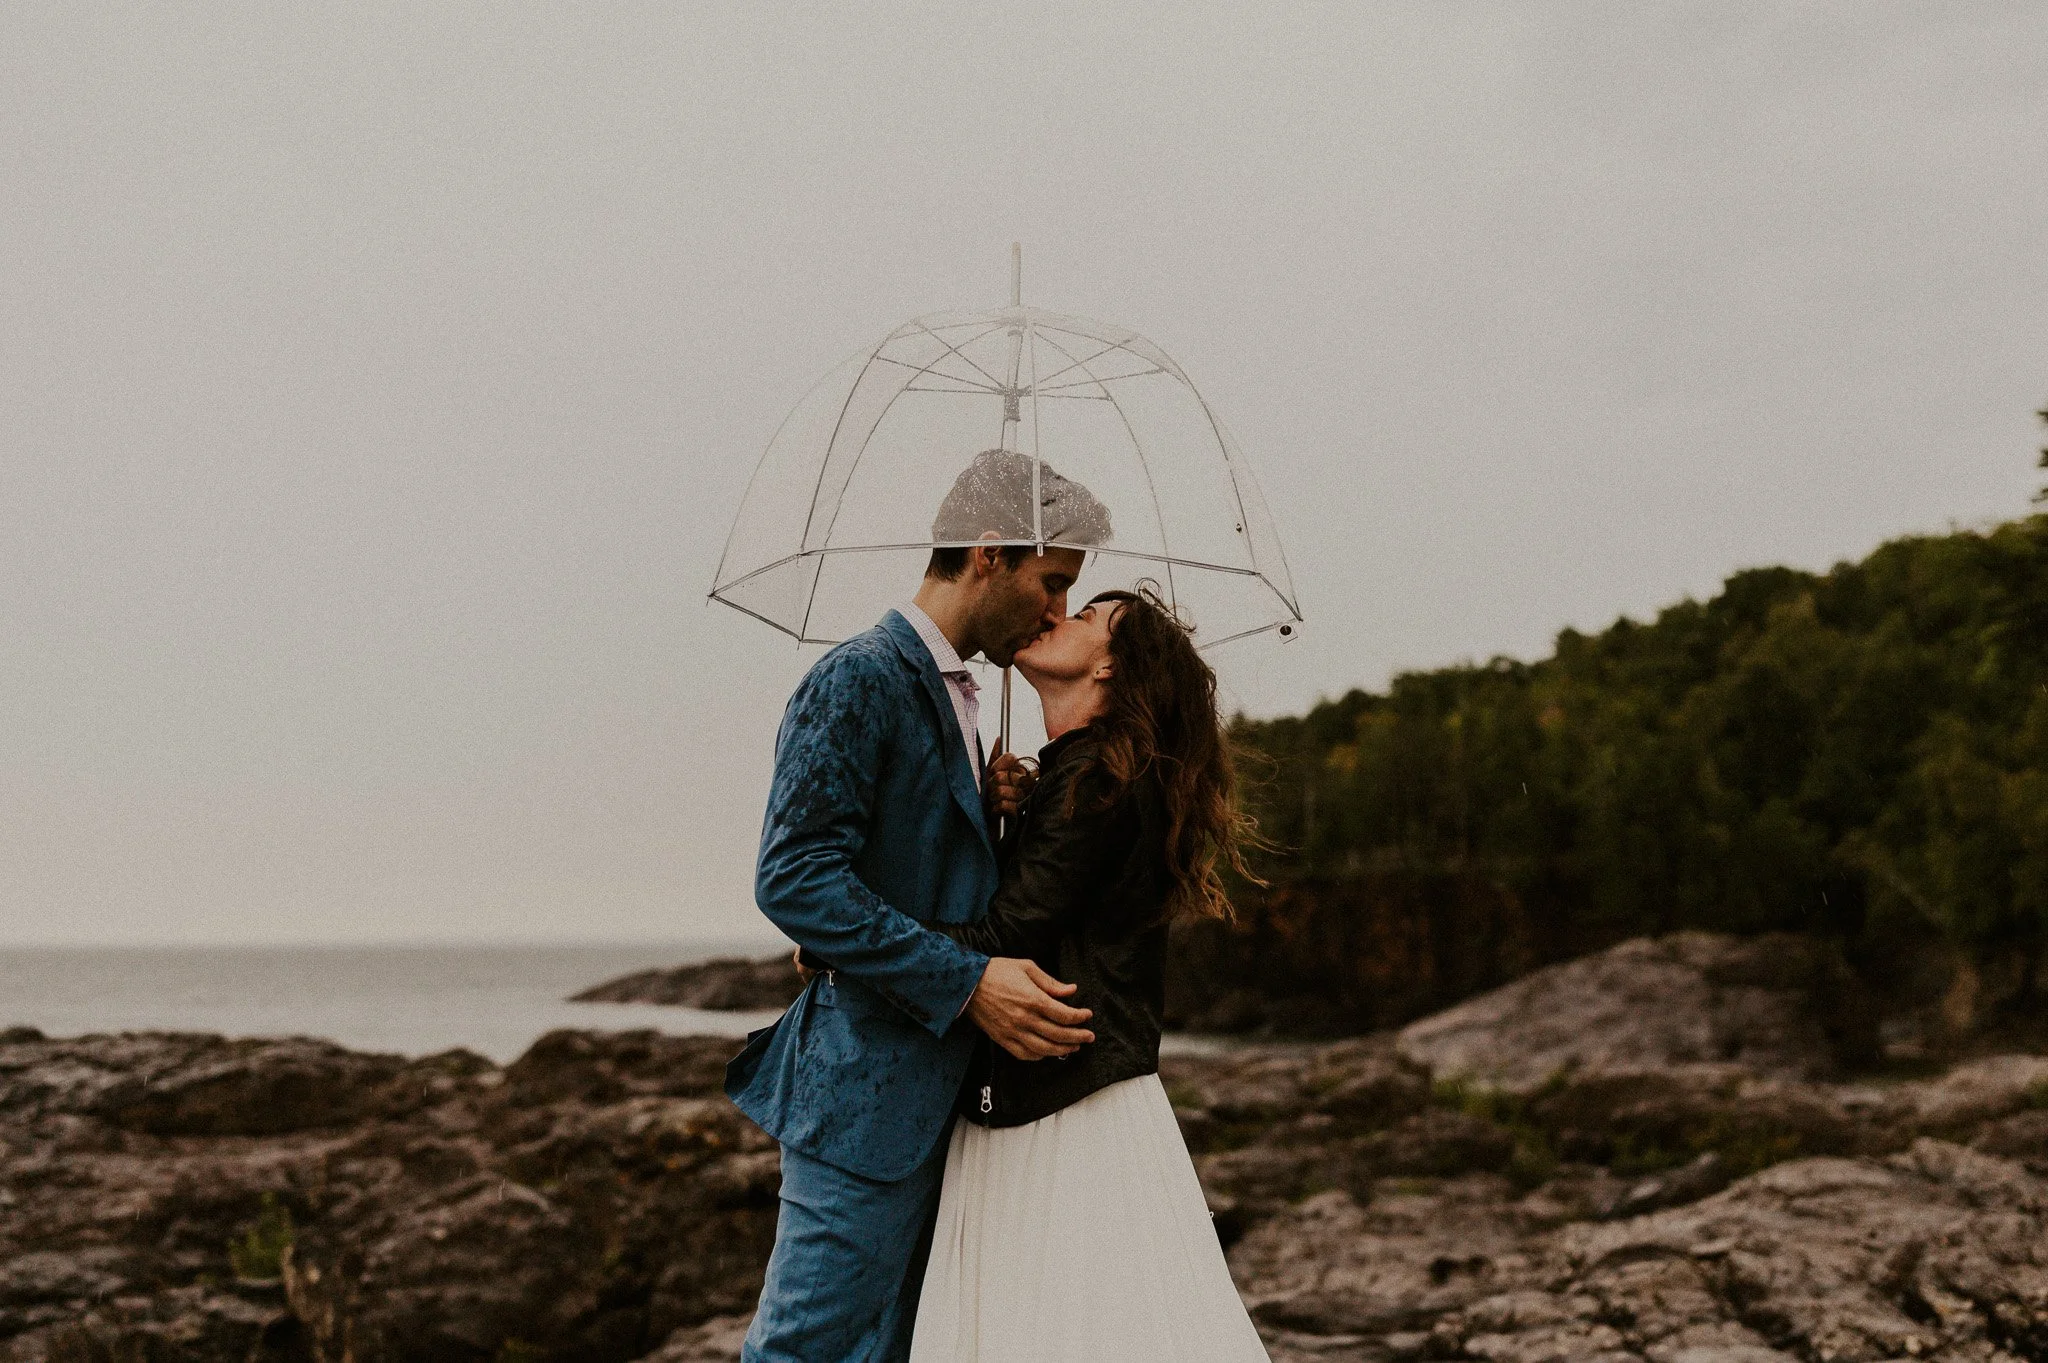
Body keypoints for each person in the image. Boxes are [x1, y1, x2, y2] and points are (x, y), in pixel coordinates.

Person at [725, 450, 1114, 1363]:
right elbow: (793, 877)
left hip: (941, 1100)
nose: (1054, 612)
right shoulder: (858, 676)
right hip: (862, 1097)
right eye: (1051, 583)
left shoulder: (960, 697)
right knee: (804, 1353)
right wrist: (969, 979)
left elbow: (896, 867)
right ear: (989, 554)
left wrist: (986, 804)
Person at [908, 585, 1273, 1362]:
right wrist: (1001, 809)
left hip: (1063, 1110)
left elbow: (1005, 932)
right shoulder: (1085, 777)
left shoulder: (1098, 782)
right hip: (1058, 1095)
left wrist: (855, 940)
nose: (1054, 615)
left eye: (1083, 617)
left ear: (1109, 666)